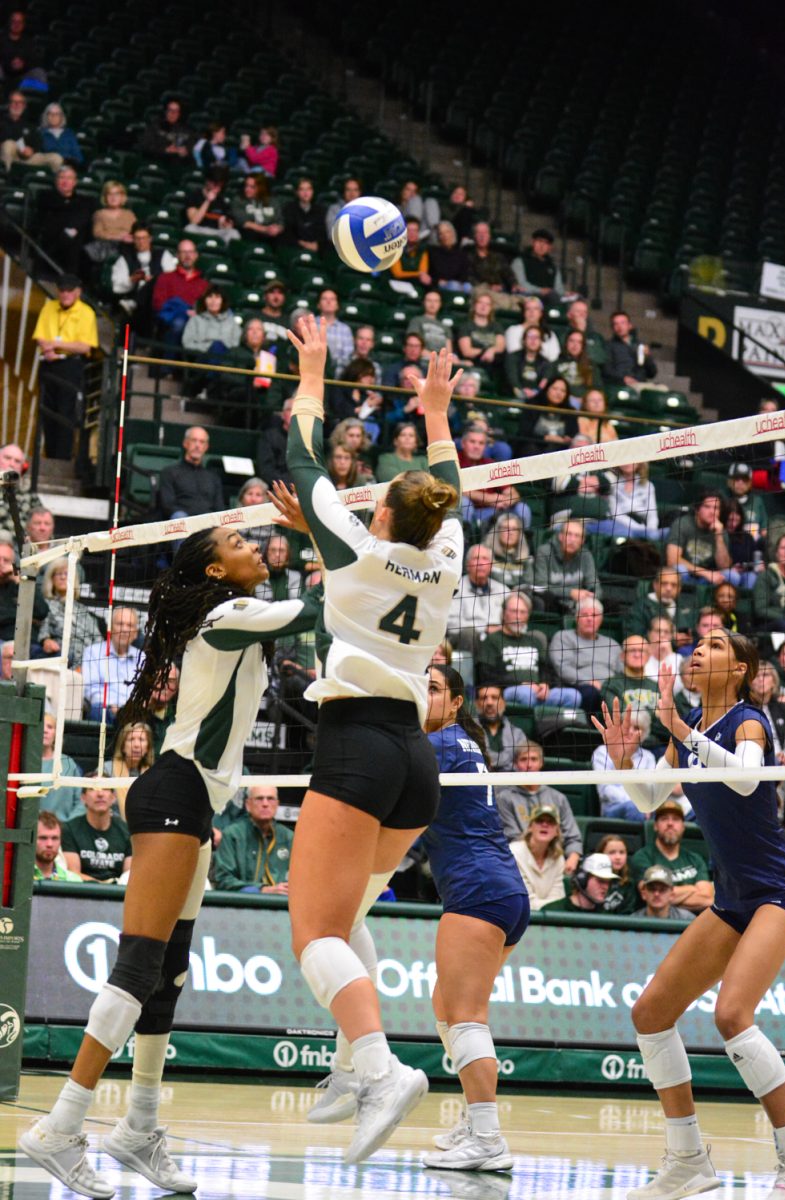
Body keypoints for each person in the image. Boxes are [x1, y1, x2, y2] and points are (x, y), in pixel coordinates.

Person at [19, 519, 322, 1196]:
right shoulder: (227, 617)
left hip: (195, 801)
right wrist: (326, 542)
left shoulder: (227, 615)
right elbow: (315, 612)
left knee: (170, 972)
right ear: (216, 573)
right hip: (175, 792)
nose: (255, 549)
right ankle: (60, 1128)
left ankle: (138, 1126)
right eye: (241, 546)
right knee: (139, 963)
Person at [279, 319, 464, 1164]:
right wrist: (433, 412)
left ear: (384, 511)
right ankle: (359, 1065)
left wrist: (312, 370)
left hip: (355, 746)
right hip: (414, 758)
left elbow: (303, 458)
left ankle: (384, 1066)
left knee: (313, 930)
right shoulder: (447, 556)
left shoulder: (355, 552)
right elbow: (450, 484)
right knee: (348, 914)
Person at [594, 632, 785, 1200]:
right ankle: (688, 1160)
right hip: (733, 897)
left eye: (711, 646)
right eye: (695, 647)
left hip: (779, 892)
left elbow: (747, 777)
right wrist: (623, 760)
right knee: (651, 1013)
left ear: (737, 669)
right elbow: (648, 796)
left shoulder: (749, 721)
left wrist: (682, 732)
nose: (696, 653)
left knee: (733, 1014)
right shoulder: (688, 723)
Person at [416, 664, 527, 1170]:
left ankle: (487, 1138)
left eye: (434, 688)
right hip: (501, 889)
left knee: (465, 1015)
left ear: (457, 702)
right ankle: (474, 1118)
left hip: (478, 891)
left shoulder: (435, 747)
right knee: (447, 1002)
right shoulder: (459, 744)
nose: (424, 695)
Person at [476, 590, 582, 711]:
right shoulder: (492, 640)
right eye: (514, 611)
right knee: (525, 694)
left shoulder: (535, 641)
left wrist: (545, 684)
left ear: (528, 616)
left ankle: (548, 724)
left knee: (574, 696)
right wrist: (520, 684)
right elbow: (486, 676)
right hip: (509, 690)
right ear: (504, 614)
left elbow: (547, 670)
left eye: (523, 612)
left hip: (539, 693)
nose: (518, 616)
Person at [33, 274, 99, 460]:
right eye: (62, 290)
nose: (65, 294)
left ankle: (62, 458)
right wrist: (49, 349)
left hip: (70, 366)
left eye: (69, 290)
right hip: (48, 363)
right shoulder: (49, 307)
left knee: (65, 412)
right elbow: (40, 337)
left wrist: (54, 344)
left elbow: (85, 346)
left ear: (78, 292)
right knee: (47, 411)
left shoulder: (87, 313)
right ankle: (49, 454)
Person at [496, 740, 583, 869]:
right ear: (515, 764)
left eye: (534, 759)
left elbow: (573, 837)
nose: (529, 765)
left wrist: (572, 859)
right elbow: (512, 837)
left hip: (555, 859)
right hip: (520, 861)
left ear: (541, 763)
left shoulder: (558, 798)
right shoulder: (505, 798)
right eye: (524, 759)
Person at [630, 799, 713, 913]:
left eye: (676, 819)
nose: (670, 823)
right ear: (655, 826)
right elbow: (650, 896)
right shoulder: (642, 857)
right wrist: (693, 889)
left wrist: (665, 897)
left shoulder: (695, 859)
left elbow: (708, 899)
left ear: (683, 827)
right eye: (664, 819)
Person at [549, 598, 622, 713]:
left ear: (601, 619)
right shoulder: (563, 637)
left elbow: (621, 672)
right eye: (584, 615)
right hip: (579, 687)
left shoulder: (613, 645)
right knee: (591, 692)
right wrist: (588, 681)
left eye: (594, 615)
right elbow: (563, 668)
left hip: (609, 689)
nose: (589, 619)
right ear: (577, 618)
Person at [213, 785, 292, 893]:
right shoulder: (232, 835)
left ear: (277, 804)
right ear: (248, 805)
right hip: (241, 905)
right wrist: (262, 890)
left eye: (270, 799)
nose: (265, 804)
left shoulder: (289, 837)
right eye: (259, 799)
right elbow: (223, 880)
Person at [111, 223, 177, 336]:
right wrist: (131, 280)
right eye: (137, 238)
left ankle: (135, 303)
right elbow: (116, 287)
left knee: (158, 280)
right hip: (137, 302)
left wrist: (153, 281)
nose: (141, 242)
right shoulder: (125, 259)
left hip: (158, 300)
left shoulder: (163, 255)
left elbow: (172, 279)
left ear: (150, 239)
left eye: (144, 238)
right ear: (133, 239)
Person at [81, 607, 143, 723]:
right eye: (120, 624)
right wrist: (112, 706)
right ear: (110, 628)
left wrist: (127, 708)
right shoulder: (93, 652)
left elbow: (142, 692)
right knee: (97, 710)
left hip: (132, 712)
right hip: (105, 710)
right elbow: (91, 689)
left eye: (129, 625)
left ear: (135, 633)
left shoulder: (142, 657)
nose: (124, 629)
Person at [592, 709, 656, 820]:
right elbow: (605, 790)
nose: (630, 731)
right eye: (627, 727)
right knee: (634, 808)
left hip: (642, 808)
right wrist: (635, 802)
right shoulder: (602, 752)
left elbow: (650, 788)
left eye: (636, 728)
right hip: (612, 808)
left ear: (644, 733)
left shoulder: (649, 757)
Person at [38, 555, 102, 667]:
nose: (63, 577)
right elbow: (44, 631)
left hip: (90, 662)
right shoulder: (45, 605)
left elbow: (98, 638)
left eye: (67, 574)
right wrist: (46, 640)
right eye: (58, 574)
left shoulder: (82, 609)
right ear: (51, 579)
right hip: (64, 661)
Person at [603, 635, 668, 745]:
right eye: (632, 650)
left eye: (642, 651)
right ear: (623, 656)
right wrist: (655, 713)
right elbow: (622, 719)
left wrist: (639, 714)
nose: (637, 655)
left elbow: (669, 724)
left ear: (648, 656)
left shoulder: (658, 686)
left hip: (659, 745)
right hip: (626, 744)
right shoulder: (611, 684)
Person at [61, 787, 133, 883]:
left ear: (114, 797)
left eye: (105, 788)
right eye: (93, 788)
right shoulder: (69, 829)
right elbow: (73, 874)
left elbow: (128, 875)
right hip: (80, 891)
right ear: (83, 798)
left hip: (118, 893)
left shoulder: (127, 830)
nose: (100, 794)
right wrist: (104, 885)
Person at [665, 491, 735, 588]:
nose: (712, 512)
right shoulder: (683, 524)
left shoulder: (721, 531)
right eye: (707, 507)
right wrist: (706, 573)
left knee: (732, 576)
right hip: (686, 574)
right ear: (697, 509)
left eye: (716, 508)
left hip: (706, 580)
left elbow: (724, 567)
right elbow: (672, 560)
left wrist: (719, 537)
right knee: (680, 569)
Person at [36, 166, 95, 279]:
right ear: (56, 181)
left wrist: (72, 229)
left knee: (77, 236)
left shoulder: (85, 201)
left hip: (74, 244)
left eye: (69, 178)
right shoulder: (45, 196)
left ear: (75, 182)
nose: (65, 181)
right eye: (62, 177)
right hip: (52, 240)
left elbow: (84, 218)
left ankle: (70, 281)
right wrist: (69, 231)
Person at [446, 544, 505, 653]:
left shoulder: (503, 590)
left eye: (485, 559)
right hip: (464, 639)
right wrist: (485, 629)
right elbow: (451, 624)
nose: (481, 563)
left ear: (491, 565)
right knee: (469, 633)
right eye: (476, 558)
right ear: (468, 565)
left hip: (497, 639)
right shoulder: (455, 588)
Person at [532, 519, 600, 615]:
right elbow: (540, 587)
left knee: (610, 605)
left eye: (577, 536)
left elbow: (595, 586)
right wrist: (571, 593)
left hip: (577, 604)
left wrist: (591, 596)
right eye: (569, 534)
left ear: (582, 541)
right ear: (560, 536)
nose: (572, 540)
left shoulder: (586, 556)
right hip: (553, 602)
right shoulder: (544, 552)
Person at [156, 426, 225, 520]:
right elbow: (167, 505)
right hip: (182, 522)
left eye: (202, 442)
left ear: (206, 447)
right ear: (185, 443)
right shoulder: (169, 472)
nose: (197, 445)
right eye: (194, 440)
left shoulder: (213, 477)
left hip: (208, 524)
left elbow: (219, 508)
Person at [151, 240, 207, 350]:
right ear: (178, 255)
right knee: (179, 324)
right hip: (171, 323)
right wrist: (184, 311)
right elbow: (158, 304)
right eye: (184, 252)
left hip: (197, 324)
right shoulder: (165, 278)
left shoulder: (204, 285)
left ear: (196, 255)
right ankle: (168, 365)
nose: (187, 256)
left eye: (190, 252)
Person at [510, 805, 566, 911]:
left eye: (551, 822)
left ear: (557, 831)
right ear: (530, 827)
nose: (545, 824)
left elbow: (558, 899)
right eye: (540, 821)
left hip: (548, 920)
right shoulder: (514, 852)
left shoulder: (558, 859)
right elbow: (525, 901)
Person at [629, 566, 697, 645]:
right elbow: (633, 640)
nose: (669, 588)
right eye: (664, 584)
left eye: (674, 585)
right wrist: (673, 641)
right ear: (655, 585)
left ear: (679, 589)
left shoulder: (686, 609)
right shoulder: (639, 608)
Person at [0, 533, 47, 640]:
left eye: (6, 560)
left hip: (29, 643)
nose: (2, 564)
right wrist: (26, 617)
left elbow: (42, 611)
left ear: (12, 564)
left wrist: (19, 580)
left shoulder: (18, 582)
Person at [0, 90, 61, 172]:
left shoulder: (29, 125)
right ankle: (6, 177)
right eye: (14, 102)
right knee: (8, 144)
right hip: (7, 154)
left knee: (56, 158)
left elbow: (38, 142)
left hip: (27, 158)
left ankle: (57, 183)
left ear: (24, 106)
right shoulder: (2, 122)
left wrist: (31, 150)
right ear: (9, 104)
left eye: (20, 102)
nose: (17, 105)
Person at [39, 714, 84, 824]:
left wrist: (68, 825)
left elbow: (81, 801)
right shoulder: (24, 761)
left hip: (66, 828)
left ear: (56, 734)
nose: (45, 730)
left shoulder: (68, 763)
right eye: (41, 726)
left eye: (50, 727)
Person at [104, 722, 155, 817]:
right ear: (122, 746)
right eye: (131, 739)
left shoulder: (154, 773)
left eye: (141, 740)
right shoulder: (106, 769)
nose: (136, 745)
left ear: (148, 747)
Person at [540, 852, 619, 913]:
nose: (605, 887)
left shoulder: (606, 917)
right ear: (582, 879)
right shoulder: (551, 911)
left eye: (608, 882)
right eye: (600, 880)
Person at [474, 684, 529, 771]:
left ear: (504, 703)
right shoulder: (467, 731)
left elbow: (522, 764)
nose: (489, 703)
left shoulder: (518, 734)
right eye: (484, 698)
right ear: (476, 704)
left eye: (495, 698)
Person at [516, 375, 576, 453]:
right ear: (547, 389)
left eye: (563, 391)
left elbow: (573, 435)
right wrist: (546, 438)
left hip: (559, 451)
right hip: (533, 448)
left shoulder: (570, 412)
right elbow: (524, 433)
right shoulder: (533, 405)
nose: (559, 393)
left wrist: (567, 439)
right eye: (555, 389)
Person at [753, 536, 785, 632]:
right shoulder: (765, 576)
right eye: (783, 548)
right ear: (777, 553)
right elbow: (760, 610)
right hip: (776, 624)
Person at [481, 512, 534, 592]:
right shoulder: (484, 553)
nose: (510, 533)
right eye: (506, 528)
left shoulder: (525, 558)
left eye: (514, 529)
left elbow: (528, 585)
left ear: (520, 534)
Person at [602, 311, 657, 389]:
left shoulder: (640, 345)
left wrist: (648, 357)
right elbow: (607, 370)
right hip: (621, 385)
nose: (619, 327)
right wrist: (623, 378)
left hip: (641, 383)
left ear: (629, 325)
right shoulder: (608, 346)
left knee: (663, 390)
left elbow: (652, 373)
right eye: (616, 324)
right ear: (612, 328)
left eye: (622, 323)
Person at [230, 173, 283, 244]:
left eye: (252, 187)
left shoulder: (272, 201)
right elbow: (243, 222)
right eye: (246, 186)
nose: (247, 189)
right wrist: (265, 229)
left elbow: (280, 220)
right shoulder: (239, 200)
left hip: (271, 235)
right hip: (249, 234)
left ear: (261, 188)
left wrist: (277, 229)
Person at [457, 289, 505, 368]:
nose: (483, 306)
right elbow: (467, 351)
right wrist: (485, 352)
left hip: (493, 365)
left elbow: (500, 347)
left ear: (491, 308)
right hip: (472, 364)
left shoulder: (496, 326)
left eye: (487, 304)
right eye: (480, 302)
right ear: (474, 305)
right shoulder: (465, 326)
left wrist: (491, 350)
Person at [88, 181, 136, 258]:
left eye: (117, 194)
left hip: (126, 248)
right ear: (105, 197)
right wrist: (118, 237)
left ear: (122, 197)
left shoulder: (129, 214)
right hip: (106, 248)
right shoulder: (99, 214)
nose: (113, 197)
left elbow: (135, 232)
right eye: (110, 194)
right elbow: (98, 233)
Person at [510, 228, 564, 297]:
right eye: (539, 241)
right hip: (527, 297)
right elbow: (520, 285)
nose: (541, 245)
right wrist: (540, 290)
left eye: (546, 243)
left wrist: (566, 294)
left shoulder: (553, 267)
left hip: (550, 298)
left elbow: (559, 289)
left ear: (550, 247)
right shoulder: (520, 261)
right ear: (533, 242)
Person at [465, 222, 517, 294]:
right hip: (478, 292)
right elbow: (469, 277)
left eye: (485, 233)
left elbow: (509, 274)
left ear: (489, 236)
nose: (482, 236)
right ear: (474, 236)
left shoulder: (498, 256)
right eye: (479, 233)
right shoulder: (467, 256)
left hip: (499, 292)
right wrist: (488, 287)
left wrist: (514, 284)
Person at [504, 324, 552, 399]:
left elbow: (544, 382)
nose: (533, 340)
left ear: (541, 341)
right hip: (514, 396)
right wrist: (521, 391)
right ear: (524, 340)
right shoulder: (512, 357)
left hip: (537, 398)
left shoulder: (546, 363)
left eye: (537, 337)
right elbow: (512, 380)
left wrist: (535, 392)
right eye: (530, 337)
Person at [282, 177, 327, 253]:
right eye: (302, 189)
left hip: (315, 249)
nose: (305, 192)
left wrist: (317, 245)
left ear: (312, 191)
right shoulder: (289, 208)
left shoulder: (320, 210)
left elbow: (322, 233)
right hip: (294, 247)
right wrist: (303, 244)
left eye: (308, 189)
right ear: (297, 192)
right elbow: (288, 232)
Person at [34, 812, 83, 882]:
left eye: (54, 838)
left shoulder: (73, 880)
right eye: (43, 838)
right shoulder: (18, 876)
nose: (49, 844)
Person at [139, 98, 191, 163]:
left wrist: (185, 152)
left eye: (176, 111)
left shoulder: (185, 130)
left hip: (176, 165)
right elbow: (145, 146)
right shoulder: (155, 126)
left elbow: (191, 149)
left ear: (179, 114)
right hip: (155, 161)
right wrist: (165, 150)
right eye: (170, 110)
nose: (173, 113)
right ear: (166, 112)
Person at [597, 835, 638, 915]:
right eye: (612, 853)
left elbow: (628, 912)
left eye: (622, 852)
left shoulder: (629, 883)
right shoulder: (593, 881)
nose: (618, 857)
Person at [317, 288, 354, 376]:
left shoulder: (345, 329)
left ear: (337, 305)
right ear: (318, 304)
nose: (328, 301)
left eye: (332, 299)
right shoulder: (310, 324)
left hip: (337, 377)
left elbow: (348, 358)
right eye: (324, 299)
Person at [428, 220, 471, 290]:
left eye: (447, 232)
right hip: (440, 286)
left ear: (452, 233)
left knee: (468, 286)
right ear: (438, 237)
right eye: (441, 233)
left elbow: (464, 274)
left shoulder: (461, 253)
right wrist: (437, 281)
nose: (445, 236)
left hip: (458, 284)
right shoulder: (433, 253)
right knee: (454, 285)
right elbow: (431, 274)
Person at [38, 103, 83, 168]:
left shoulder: (69, 133)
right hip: (48, 166)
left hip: (67, 166)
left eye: (56, 114)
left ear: (61, 117)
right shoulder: (41, 132)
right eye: (50, 114)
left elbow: (79, 158)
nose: (53, 116)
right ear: (46, 116)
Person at [407, 290, 452, 355]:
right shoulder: (416, 321)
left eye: (436, 301)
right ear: (424, 302)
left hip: (441, 362)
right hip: (422, 360)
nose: (432, 304)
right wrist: (435, 358)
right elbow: (413, 347)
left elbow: (449, 352)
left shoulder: (445, 327)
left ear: (440, 304)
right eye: (429, 300)